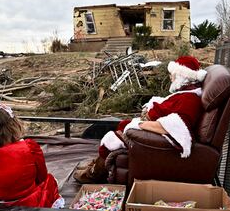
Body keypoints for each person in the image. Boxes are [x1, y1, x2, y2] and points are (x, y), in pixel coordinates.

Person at [73, 56, 208, 183]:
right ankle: (99, 162)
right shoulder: (186, 93)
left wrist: (141, 124)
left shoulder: (189, 100)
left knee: (113, 138)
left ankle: (95, 173)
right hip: (149, 127)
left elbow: (177, 126)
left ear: (182, 76)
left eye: (173, 74)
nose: (170, 77)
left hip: (151, 136)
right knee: (122, 124)